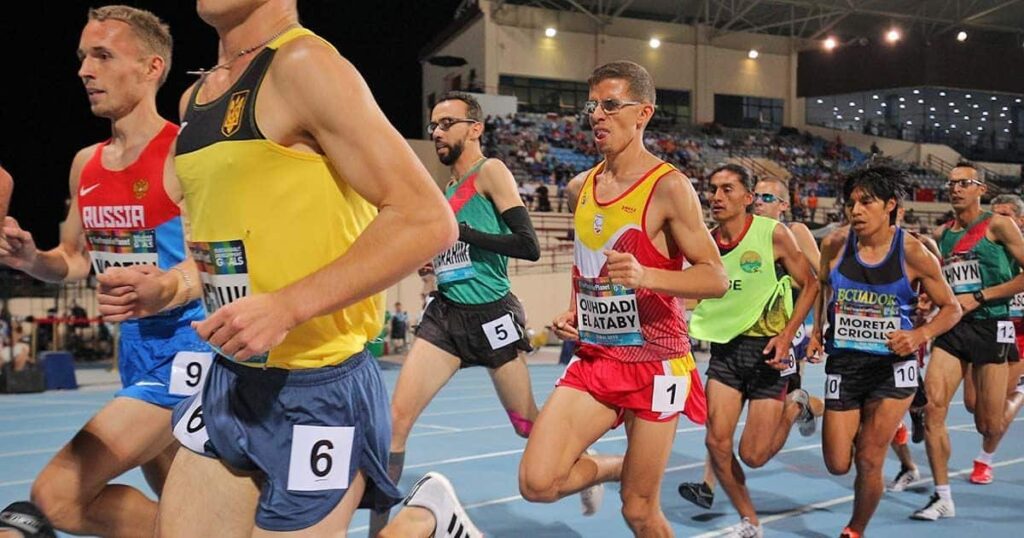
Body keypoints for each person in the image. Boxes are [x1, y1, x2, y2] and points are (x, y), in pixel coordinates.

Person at [96, 2, 477, 536]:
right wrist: (171, 285)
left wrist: (288, 306)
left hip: (319, 387)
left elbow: (427, 222)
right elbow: (225, 241)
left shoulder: (304, 65)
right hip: (231, 377)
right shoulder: (196, 96)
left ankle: (420, 522)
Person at [0, 7, 212, 536]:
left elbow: (215, 258)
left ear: (150, 67)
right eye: (81, 57)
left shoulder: (185, 152)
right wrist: (31, 258)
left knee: (59, 494)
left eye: (102, 55)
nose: (84, 71)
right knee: (186, 508)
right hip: (134, 351)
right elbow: (74, 260)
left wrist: (165, 288)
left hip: (190, 351)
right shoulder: (85, 164)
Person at [519, 61, 728, 536]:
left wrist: (647, 274)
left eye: (611, 105)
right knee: (537, 482)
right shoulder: (580, 188)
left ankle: (632, 479)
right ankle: (615, 466)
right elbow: (587, 264)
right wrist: (577, 310)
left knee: (638, 511)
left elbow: (715, 278)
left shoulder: (669, 188)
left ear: (643, 114)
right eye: (592, 105)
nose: (597, 115)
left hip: (657, 363)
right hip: (598, 356)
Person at [370, 91, 545, 533]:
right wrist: (441, 251)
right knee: (394, 421)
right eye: (433, 125)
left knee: (528, 427)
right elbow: (459, 245)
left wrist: (461, 231)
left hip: (493, 316)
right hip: (446, 315)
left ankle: (583, 467)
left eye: (447, 123)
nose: (436, 132)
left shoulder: (492, 172)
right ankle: (380, 530)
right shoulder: (447, 190)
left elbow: (529, 246)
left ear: (475, 128)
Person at [810, 166, 961, 537]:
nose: (855, 210)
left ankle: (854, 530)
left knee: (868, 458)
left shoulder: (912, 252)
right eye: (851, 203)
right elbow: (821, 286)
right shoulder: (835, 243)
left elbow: (952, 308)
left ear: (890, 205)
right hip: (845, 363)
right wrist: (815, 331)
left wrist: (920, 335)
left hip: (894, 368)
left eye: (866, 202)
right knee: (837, 462)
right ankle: (853, 421)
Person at [682, 165, 819, 536]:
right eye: (713, 189)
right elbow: (696, 292)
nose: (717, 197)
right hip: (726, 353)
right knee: (716, 441)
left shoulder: (774, 235)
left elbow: (810, 284)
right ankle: (750, 521)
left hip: (769, 353)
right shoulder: (705, 244)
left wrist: (790, 335)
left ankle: (795, 406)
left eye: (727, 189)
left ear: (747, 198)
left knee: (754, 455)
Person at [914, 162, 1024, 521]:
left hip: (991, 327)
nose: (955, 188)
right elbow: (948, 281)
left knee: (986, 423)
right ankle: (942, 495)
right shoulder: (944, 234)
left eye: (964, 183)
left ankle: (1018, 391)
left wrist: (981, 296)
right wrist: (931, 300)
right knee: (933, 407)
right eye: (951, 183)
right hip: (954, 328)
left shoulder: (998, 224)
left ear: (981, 189)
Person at [956, 194, 1024, 484]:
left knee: (994, 414)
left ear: (1020, 221)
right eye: (994, 214)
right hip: (987, 328)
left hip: (1020, 336)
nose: (998, 220)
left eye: (1006, 215)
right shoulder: (987, 249)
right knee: (973, 404)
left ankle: (985, 459)